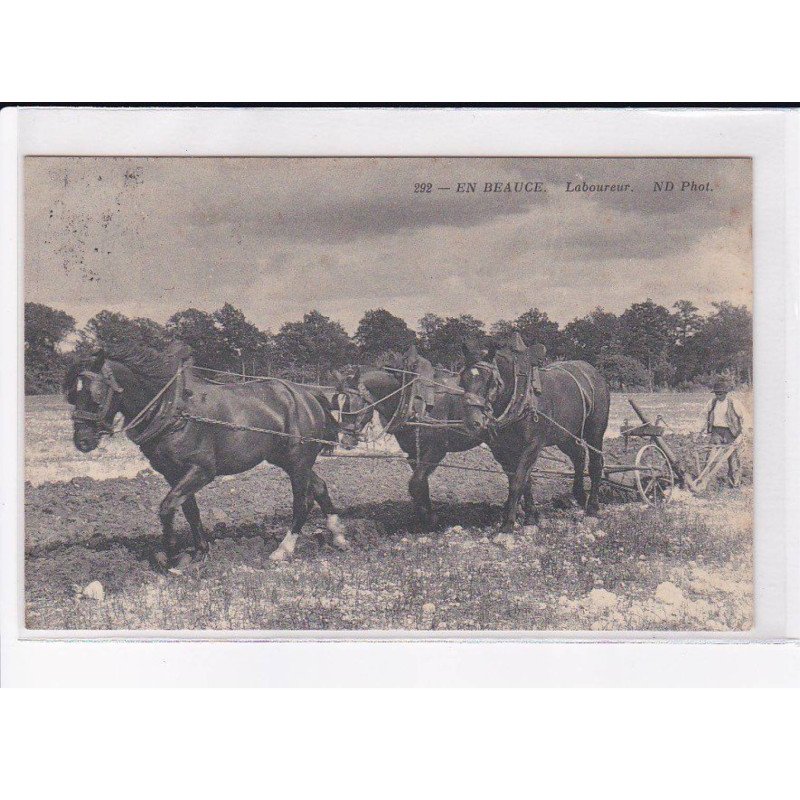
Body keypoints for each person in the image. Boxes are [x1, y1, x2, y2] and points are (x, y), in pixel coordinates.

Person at [699, 379, 745, 487]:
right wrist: (700, 430)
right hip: (716, 431)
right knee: (711, 456)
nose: (718, 395)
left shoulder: (733, 403)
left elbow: (743, 417)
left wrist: (742, 433)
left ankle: (734, 483)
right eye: (716, 393)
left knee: (733, 457)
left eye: (721, 393)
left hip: (730, 432)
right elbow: (704, 415)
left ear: (726, 393)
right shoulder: (712, 402)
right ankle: (707, 482)